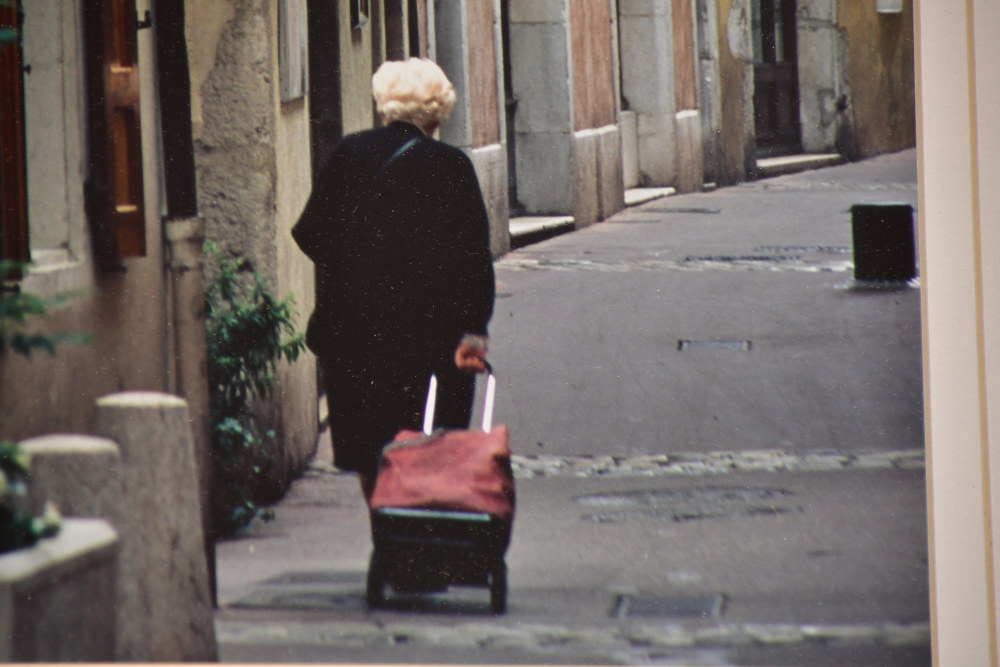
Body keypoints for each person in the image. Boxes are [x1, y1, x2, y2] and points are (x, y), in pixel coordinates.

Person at [292, 58, 496, 502]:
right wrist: (473, 333)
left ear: (384, 105)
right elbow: (474, 260)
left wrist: (359, 264)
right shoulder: (451, 166)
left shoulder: (349, 153)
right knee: (428, 445)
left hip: (357, 335)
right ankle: (420, 524)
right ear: (438, 113)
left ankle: (383, 525)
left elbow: (310, 234)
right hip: (433, 341)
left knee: (371, 451)